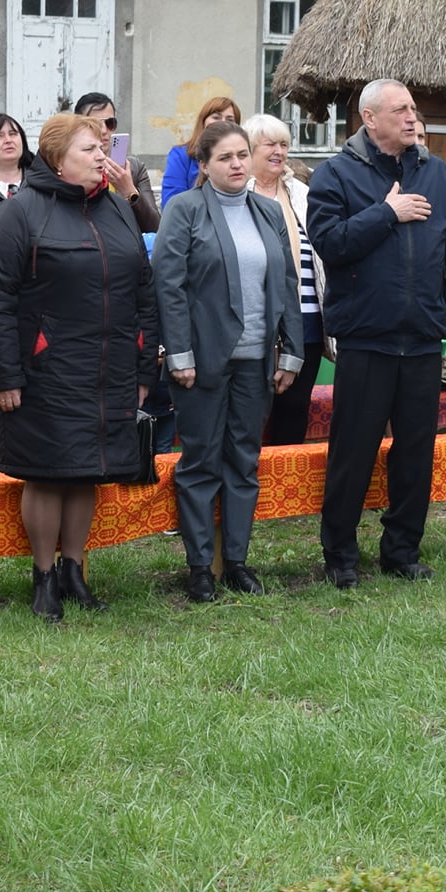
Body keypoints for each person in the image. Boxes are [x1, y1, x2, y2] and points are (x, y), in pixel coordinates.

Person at [0, 113, 156, 622]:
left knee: (86, 474)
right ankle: (43, 577)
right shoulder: (22, 212)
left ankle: (74, 571)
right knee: (47, 474)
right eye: (90, 150)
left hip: (109, 368)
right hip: (46, 370)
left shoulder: (118, 208)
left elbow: (144, 291)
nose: (103, 157)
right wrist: (6, 376)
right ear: (58, 160)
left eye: (102, 147)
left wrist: (144, 367)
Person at [306, 78, 446, 588]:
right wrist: (387, 213)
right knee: (353, 452)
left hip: (423, 337)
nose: (411, 117)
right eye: (400, 109)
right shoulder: (336, 175)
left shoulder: (436, 174)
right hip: (366, 338)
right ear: (369, 118)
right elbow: (330, 243)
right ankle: (340, 555)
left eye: (413, 109)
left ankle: (402, 551)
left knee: (415, 453)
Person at [154, 121, 304, 600]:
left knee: (243, 461)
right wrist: (179, 353)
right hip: (201, 362)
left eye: (242, 154)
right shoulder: (185, 209)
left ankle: (236, 562)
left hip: (257, 362)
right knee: (200, 462)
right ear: (204, 165)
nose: (237, 164)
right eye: (225, 157)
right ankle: (200, 567)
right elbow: (169, 287)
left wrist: (292, 351)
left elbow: (286, 283)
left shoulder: (268, 211)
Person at [246, 113, 325, 444]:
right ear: (250, 149)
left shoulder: (303, 194)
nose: (279, 151)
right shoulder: (236, 194)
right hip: (253, 324)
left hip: (306, 321)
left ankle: (285, 476)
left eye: (284, 144)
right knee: (249, 412)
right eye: (270, 145)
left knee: (294, 409)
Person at [75, 92, 161, 230]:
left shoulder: (134, 168)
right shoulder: (73, 168)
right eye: (95, 124)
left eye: (110, 123)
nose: (104, 130)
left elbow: (155, 228)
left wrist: (129, 191)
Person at [159, 96, 240, 207]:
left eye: (230, 120)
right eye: (216, 117)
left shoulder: (241, 160)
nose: (223, 123)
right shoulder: (180, 155)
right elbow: (172, 203)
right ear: (203, 121)